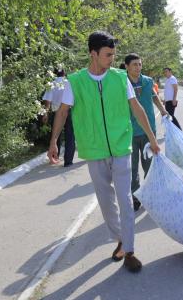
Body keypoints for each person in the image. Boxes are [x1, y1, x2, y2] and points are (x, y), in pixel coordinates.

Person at [48, 31, 160, 273]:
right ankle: (120, 238)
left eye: (113, 54)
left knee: (126, 199)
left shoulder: (120, 78)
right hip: (94, 151)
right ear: (93, 54)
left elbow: (138, 109)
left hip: (121, 147)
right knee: (106, 202)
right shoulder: (75, 82)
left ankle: (129, 250)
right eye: (108, 55)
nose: (112, 59)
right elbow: (63, 112)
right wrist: (54, 141)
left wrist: (153, 139)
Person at [124, 53, 168, 211]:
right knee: (132, 167)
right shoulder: (122, 82)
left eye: (139, 64)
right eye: (134, 64)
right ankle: (135, 197)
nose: (138, 67)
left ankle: (149, 194)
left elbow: (155, 97)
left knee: (149, 165)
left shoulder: (148, 81)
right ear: (127, 66)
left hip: (148, 130)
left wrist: (163, 111)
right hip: (129, 132)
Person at [42, 68, 75, 167]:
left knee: (56, 135)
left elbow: (48, 100)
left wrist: (45, 113)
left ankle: (55, 157)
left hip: (56, 111)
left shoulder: (51, 84)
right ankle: (68, 161)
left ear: (55, 74)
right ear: (64, 74)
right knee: (70, 136)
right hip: (69, 109)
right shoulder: (68, 82)